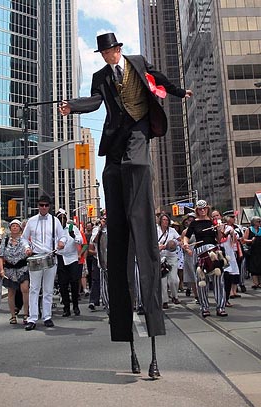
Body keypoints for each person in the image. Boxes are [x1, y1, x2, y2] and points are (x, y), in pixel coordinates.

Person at [59, 32, 193, 378]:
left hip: (138, 133)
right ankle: (127, 338)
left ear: (119, 50)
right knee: (115, 176)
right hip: (115, 143)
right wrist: (71, 106)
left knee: (137, 163)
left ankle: (152, 341)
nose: (107, 56)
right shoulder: (101, 77)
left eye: (110, 51)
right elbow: (93, 102)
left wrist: (179, 93)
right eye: (103, 53)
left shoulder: (136, 63)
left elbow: (159, 81)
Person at [22, 196, 66, 330]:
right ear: (38, 205)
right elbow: (24, 238)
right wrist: (27, 248)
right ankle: (32, 318)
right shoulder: (31, 221)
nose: (44, 207)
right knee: (34, 289)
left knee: (48, 289)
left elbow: (63, 235)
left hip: (50, 256)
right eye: (41, 205)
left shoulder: (55, 221)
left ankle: (47, 316)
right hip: (36, 257)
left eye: (46, 205)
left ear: (50, 206)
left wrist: (61, 242)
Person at [183, 200, 227, 318]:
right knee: (202, 282)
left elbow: (218, 239)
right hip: (200, 252)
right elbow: (186, 237)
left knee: (218, 280)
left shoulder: (212, 222)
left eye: (205, 208)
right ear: (197, 210)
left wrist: (219, 230)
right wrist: (186, 244)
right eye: (200, 209)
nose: (203, 211)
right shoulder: (194, 223)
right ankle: (204, 307)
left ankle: (221, 307)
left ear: (207, 209)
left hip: (213, 251)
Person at [0, 219, 30, 324]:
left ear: (20, 229)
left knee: (25, 289)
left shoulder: (24, 240)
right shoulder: (6, 240)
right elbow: (0, 255)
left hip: (22, 267)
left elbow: (28, 249)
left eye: (17, 226)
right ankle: (13, 316)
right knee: (11, 292)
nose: (15, 228)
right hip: (10, 269)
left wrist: (28, 251)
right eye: (13, 226)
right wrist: (1, 269)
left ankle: (26, 314)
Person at [55, 209, 83, 317]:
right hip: (60, 258)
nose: (62, 219)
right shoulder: (55, 230)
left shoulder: (72, 228)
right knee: (63, 284)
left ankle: (75, 306)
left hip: (72, 258)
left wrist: (74, 236)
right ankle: (66, 307)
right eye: (60, 217)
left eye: (64, 217)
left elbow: (80, 241)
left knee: (75, 282)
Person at [157, 214, 180, 308]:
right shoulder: (155, 229)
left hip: (171, 256)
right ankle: (164, 300)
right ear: (160, 220)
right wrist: (159, 246)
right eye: (163, 220)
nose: (165, 222)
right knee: (162, 280)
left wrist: (176, 244)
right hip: (160, 257)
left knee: (174, 280)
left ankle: (175, 295)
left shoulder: (172, 230)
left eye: (167, 220)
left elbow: (179, 239)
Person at [242, 216, 261, 289]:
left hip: (260, 250)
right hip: (253, 250)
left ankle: (260, 283)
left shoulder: (260, 229)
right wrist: (251, 240)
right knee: (254, 267)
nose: (259, 223)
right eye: (258, 221)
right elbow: (244, 240)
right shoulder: (249, 230)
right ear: (254, 222)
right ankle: (255, 283)